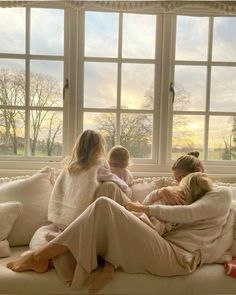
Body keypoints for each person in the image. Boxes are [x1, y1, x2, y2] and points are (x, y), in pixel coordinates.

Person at [7, 151, 233, 293]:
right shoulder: (180, 193)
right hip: (160, 241)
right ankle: (101, 263)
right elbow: (155, 214)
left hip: (178, 257)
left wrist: (143, 208)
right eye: (175, 180)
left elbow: (190, 214)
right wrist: (159, 193)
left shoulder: (220, 195)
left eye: (181, 179)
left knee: (105, 205)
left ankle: (41, 255)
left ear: (196, 174)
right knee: (108, 194)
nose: (178, 183)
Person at [127, 171, 213, 235]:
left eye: (181, 177)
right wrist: (160, 192)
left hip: (148, 221)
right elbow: (145, 204)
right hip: (144, 216)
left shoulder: (192, 210)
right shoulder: (171, 190)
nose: (177, 181)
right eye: (176, 178)